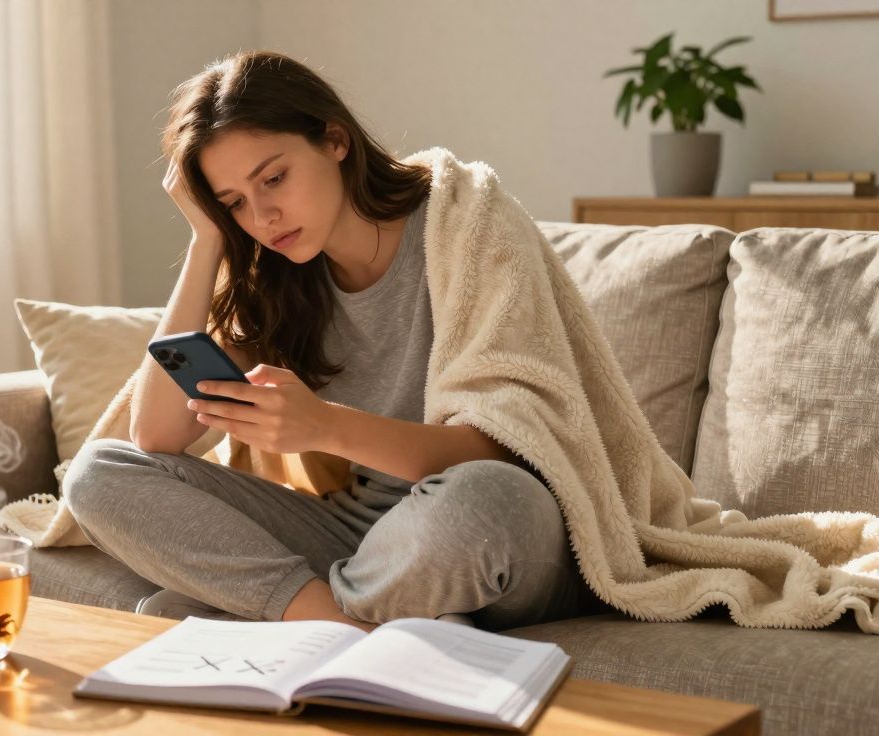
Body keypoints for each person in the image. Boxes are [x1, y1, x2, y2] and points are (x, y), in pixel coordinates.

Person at [62, 50, 602, 633]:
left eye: (273, 178)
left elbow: (508, 451)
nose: (264, 215)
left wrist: (323, 425)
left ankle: (265, 613)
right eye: (235, 202)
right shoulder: (278, 277)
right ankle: (340, 624)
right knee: (98, 474)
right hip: (357, 540)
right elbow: (158, 434)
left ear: (335, 140)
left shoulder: (466, 224)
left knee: (484, 498)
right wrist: (206, 242)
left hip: (489, 530)